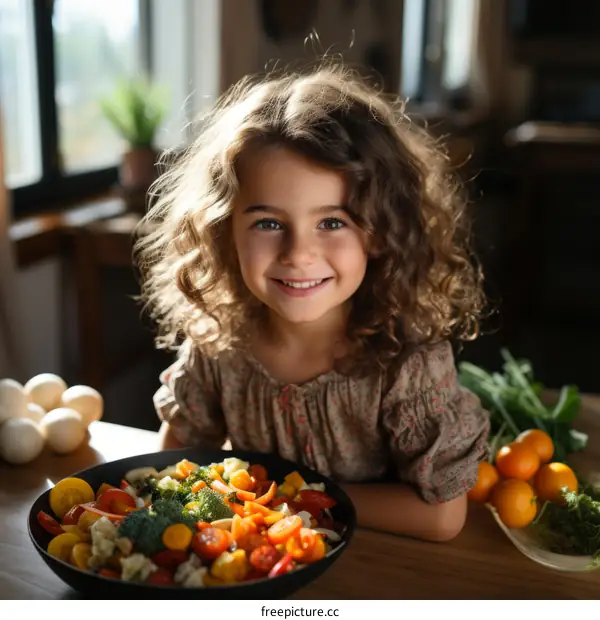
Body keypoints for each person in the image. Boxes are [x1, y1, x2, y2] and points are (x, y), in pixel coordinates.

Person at [135, 63, 490, 542]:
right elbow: (179, 462)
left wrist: (290, 496)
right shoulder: (218, 343)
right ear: (224, 234)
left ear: (382, 231)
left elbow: (442, 519)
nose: (298, 254)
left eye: (332, 222)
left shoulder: (407, 364)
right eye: (268, 223)